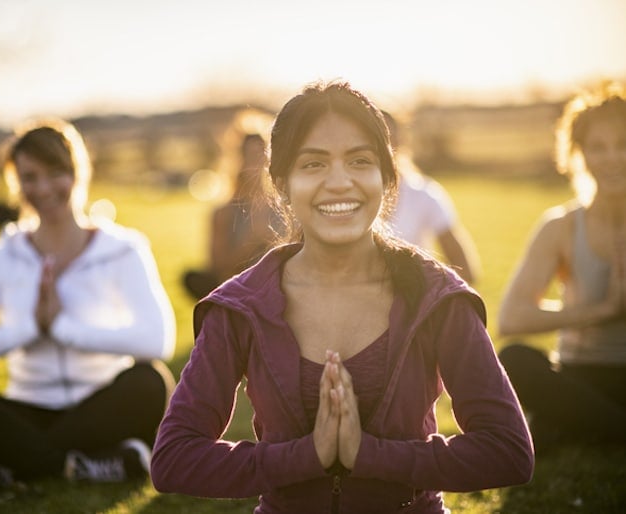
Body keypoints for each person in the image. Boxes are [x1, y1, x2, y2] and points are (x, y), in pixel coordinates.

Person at [151, 82, 533, 513]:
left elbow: (508, 452)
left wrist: (366, 455)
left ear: (387, 178)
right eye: (313, 164)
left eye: (360, 161)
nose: (339, 182)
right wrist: (308, 457)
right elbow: (174, 460)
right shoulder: (241, 306)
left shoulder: (437, 296)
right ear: (281, 184)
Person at [0, 118, 176, 486]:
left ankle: (7, 463)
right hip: (25, 410)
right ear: (15, 183)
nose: (43, 188)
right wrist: (31, 328)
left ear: (78, 172)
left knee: (150, 381)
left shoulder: (123, 249)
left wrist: (64, 328)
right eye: (29, 177)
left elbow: (157, 339)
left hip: (100, 405)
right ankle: (84, 464)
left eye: (56, 173)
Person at [497, 81, 626, 454]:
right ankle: (605, 425)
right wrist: (603, 311)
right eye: (598, 147)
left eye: (622, 144)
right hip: (579, 375)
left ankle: (585, 426)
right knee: (514, 360)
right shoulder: (561, 227)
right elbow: (512, 318)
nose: (613, 157)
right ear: (578, 154)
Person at [383, 111, 481, 284]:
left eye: (387, 139)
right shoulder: (341, 196)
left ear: (401, 141)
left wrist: (427, 300)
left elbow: (464, 268)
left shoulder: (424, 194)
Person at [182, 133, 282, 300]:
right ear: (238, 161)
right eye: (250, 156)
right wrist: (253, 240)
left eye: (261, 156)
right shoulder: (224, 213)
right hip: (240, 297)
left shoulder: (285, 210)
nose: (256, 165)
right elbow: (218, 272)